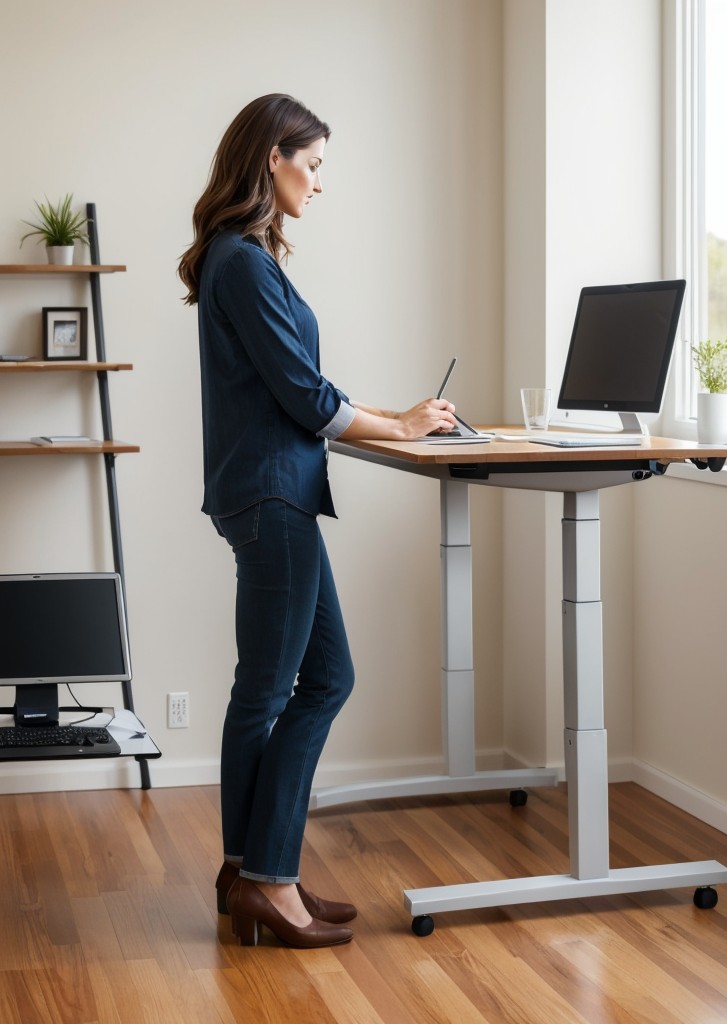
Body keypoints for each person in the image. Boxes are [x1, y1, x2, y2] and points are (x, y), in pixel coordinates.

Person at [178, 93, 456, 950]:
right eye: (315, 162)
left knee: (299, 683)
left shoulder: (242, 258)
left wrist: (399, 414)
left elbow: (304, 385)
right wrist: (401, 426)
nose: (320, 182)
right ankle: (267, 878)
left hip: (269, 493)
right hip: (271, 497)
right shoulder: (244, 264)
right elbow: (306, 397)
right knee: (279, 689)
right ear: (274, 157)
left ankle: (254, 870)